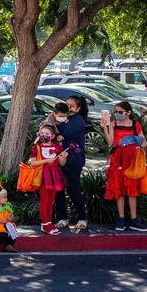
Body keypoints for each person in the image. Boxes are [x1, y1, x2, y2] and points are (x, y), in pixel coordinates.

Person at [102, 100, 147, 232]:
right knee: (119, 190)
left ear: (129, 113)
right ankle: (121, 218)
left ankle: (134, 219)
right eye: (115, 112)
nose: (117, 114)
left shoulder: (135, 125)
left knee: (131, 190)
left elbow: (144, 143)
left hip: (131, 161)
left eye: (120, 112)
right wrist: (104, 128)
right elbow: (111, 143)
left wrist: (130, 142)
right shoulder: (113, 124)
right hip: (116, 160)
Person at [50, 97, 89, 232]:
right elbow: (47, 128)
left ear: (78, 109)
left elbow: (64, 132)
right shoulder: (60, 117)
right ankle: (62, 218)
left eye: (71, 106)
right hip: (58, 159)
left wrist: (56, 122)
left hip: (73, 160)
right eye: (66, 104)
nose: (67, 107)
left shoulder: (78, 120)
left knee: (73, 189)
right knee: (58, 190)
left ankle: (82, 218)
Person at [30, 123, 65, 235]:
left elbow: (62, 163)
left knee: (51, 201)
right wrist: (45, 161)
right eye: (42, 133)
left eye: (47, 133)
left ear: (52, 136)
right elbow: (33, 163)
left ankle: (49, 223)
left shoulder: (57, 147)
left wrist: (64, 156)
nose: (44, 135)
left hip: (54, 176)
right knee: (44, 201)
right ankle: (44, 224)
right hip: (43, 176)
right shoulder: (37, 147)